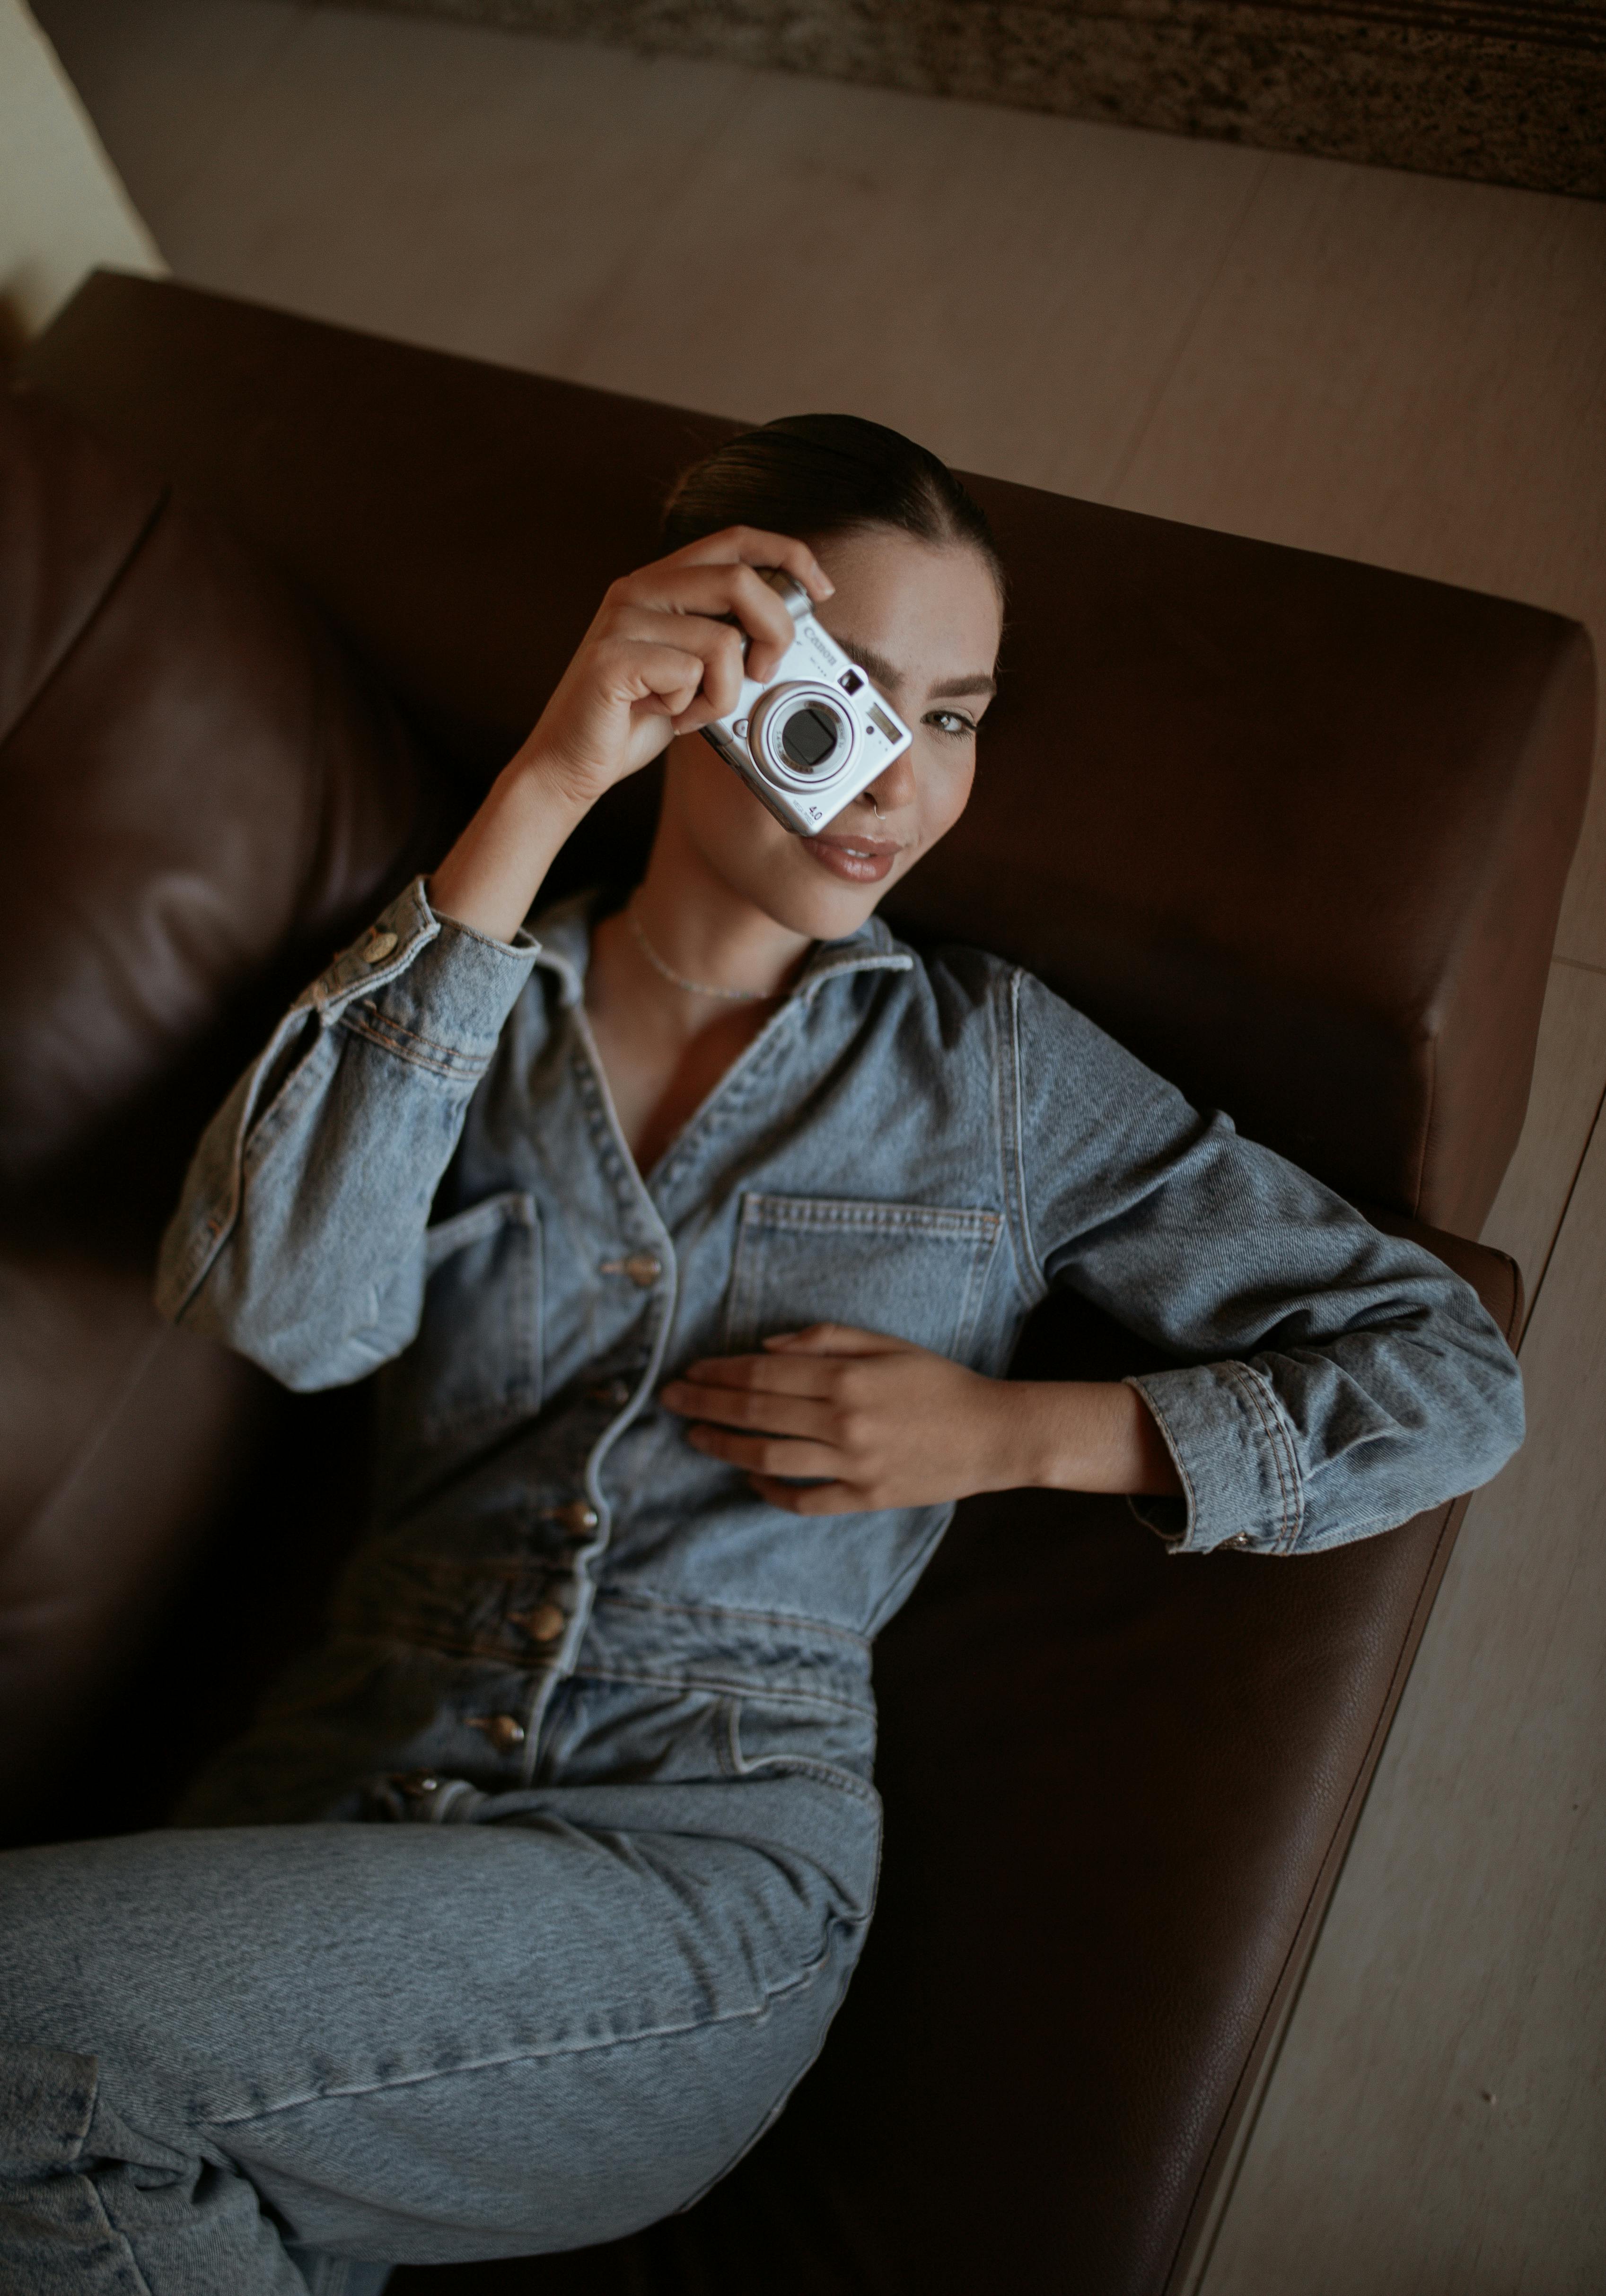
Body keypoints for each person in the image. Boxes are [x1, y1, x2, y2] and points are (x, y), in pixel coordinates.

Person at [0, 416, 1523, 2295]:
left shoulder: (994, 1067)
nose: (898, 774)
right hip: (313, 1810)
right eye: (848, 692)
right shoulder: (471, 994)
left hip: (690, 1869)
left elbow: (1451, 1370)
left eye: (956, 714)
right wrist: (552, 777)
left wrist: (1023, 1429)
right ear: (688, 668)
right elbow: (285, 1308)